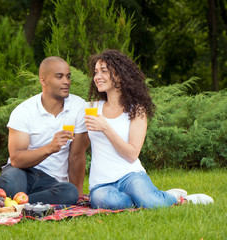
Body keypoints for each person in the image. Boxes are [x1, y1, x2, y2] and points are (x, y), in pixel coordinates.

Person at [84, 49, 213, 209]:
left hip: (130, 175)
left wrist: (105, 128)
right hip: (102, 182)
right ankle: (150, 197)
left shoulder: (136, 110)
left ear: (119, 75)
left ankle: (177, 199)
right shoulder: (90, 108)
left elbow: (131, 155)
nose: (97, 77)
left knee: (151, 203)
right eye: (96, 72)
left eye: (104, 71)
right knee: (109, 202)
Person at [0, 56, 89, 204]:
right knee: (13, 183)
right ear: (43, 80)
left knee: (69, 192)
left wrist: (78, 197)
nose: (66, 81)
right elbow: (16, 159)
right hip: (21, 171)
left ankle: (14, 203)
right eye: (59, 77)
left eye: (68, 76)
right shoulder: (24, 111)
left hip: (51, 181)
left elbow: (77, 156)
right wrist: (50, 148)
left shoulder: (78, 106)